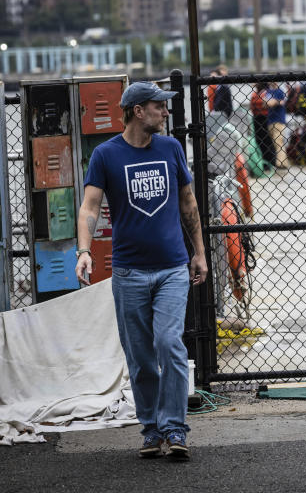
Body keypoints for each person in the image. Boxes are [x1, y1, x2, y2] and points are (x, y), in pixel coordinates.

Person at [75, 80, 208, 460]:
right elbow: (89, 207)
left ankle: (175, 429)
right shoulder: (105, 155)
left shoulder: (170, 148)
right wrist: (84, 250)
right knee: (141, 358)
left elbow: (188, 203)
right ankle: (151, 430)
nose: (166, 113)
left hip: (171, 269)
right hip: (129, 272)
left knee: (170, 344)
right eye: (158, 107)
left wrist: (198, 252)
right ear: (137, 111)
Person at [250, 82, 275, 168]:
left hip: (265, 118)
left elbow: (267, 105)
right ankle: (263, 162)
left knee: (267, 141)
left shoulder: (266, 93)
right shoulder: (255, 94)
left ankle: (270, 162)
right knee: (259, 141)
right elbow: (252, 106)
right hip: (257, 119)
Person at [265, 81, 289, 169]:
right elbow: (266, 103)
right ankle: (281, 162)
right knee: (275, 143)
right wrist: (273, 102)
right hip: (270, 120)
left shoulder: (280, 91)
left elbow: (281, 102)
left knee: (278, 141)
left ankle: (281, 163)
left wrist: (274, 102)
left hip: (279, 120)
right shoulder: (269, 91)